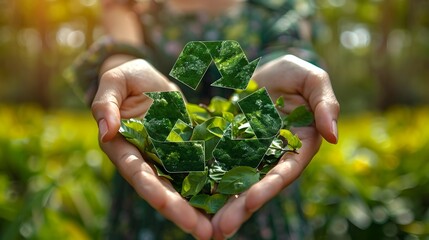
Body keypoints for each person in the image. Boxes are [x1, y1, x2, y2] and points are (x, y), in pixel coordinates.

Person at [68, 0, 340, 239]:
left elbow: (287, 45)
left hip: (262, 200)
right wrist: (119, 69)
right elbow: (124, 47)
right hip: (151, 191)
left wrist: (288, 75)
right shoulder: (133, 7)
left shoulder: (277, 6)